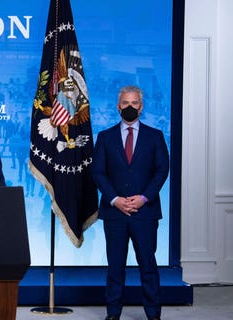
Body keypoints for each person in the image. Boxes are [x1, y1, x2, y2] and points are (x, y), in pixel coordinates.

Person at [92, 86, 169, 320]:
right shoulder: (105, 137)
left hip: (145, 213)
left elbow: (162, 170)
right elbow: (98, 172)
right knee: (115, 267)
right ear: (118, 107)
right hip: (114, 214)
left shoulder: (155, 136)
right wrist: (115, 200)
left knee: (148, 265)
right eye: (125, 103)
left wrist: (143, 198)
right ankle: (113, 313)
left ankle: (153, 314)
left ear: (141, 107)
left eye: (134, 103)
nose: (129, 107)